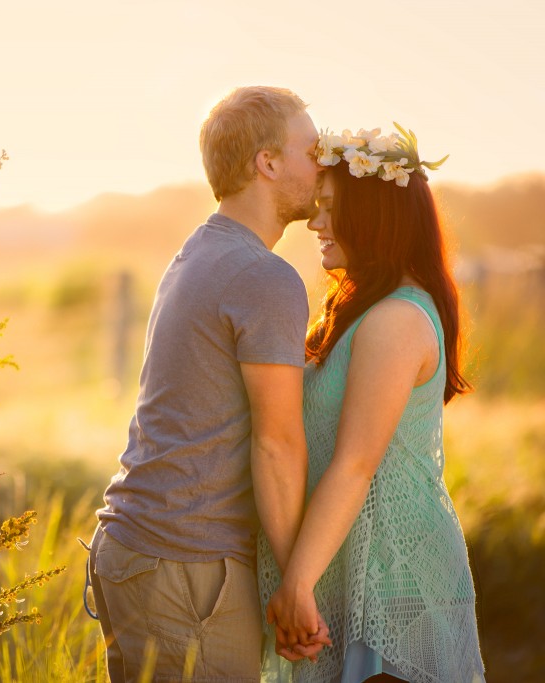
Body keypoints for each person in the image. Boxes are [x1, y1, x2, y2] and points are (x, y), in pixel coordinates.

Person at [87, 85, 330, 681]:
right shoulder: (264, 275)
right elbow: (276, 444)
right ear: (267, 163)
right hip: (184, 569)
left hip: (133, 548)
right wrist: (294, 583)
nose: (322, 165)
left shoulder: (199, 250)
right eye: (311, 150)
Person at [259, 126, 486, 682]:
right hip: (353, 563)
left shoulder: (397, 320)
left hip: (393, 577)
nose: (314, 224)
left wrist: (297, 583)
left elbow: (356, 463)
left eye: (331, 209)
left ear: (375, 214)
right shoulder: (367, 310)